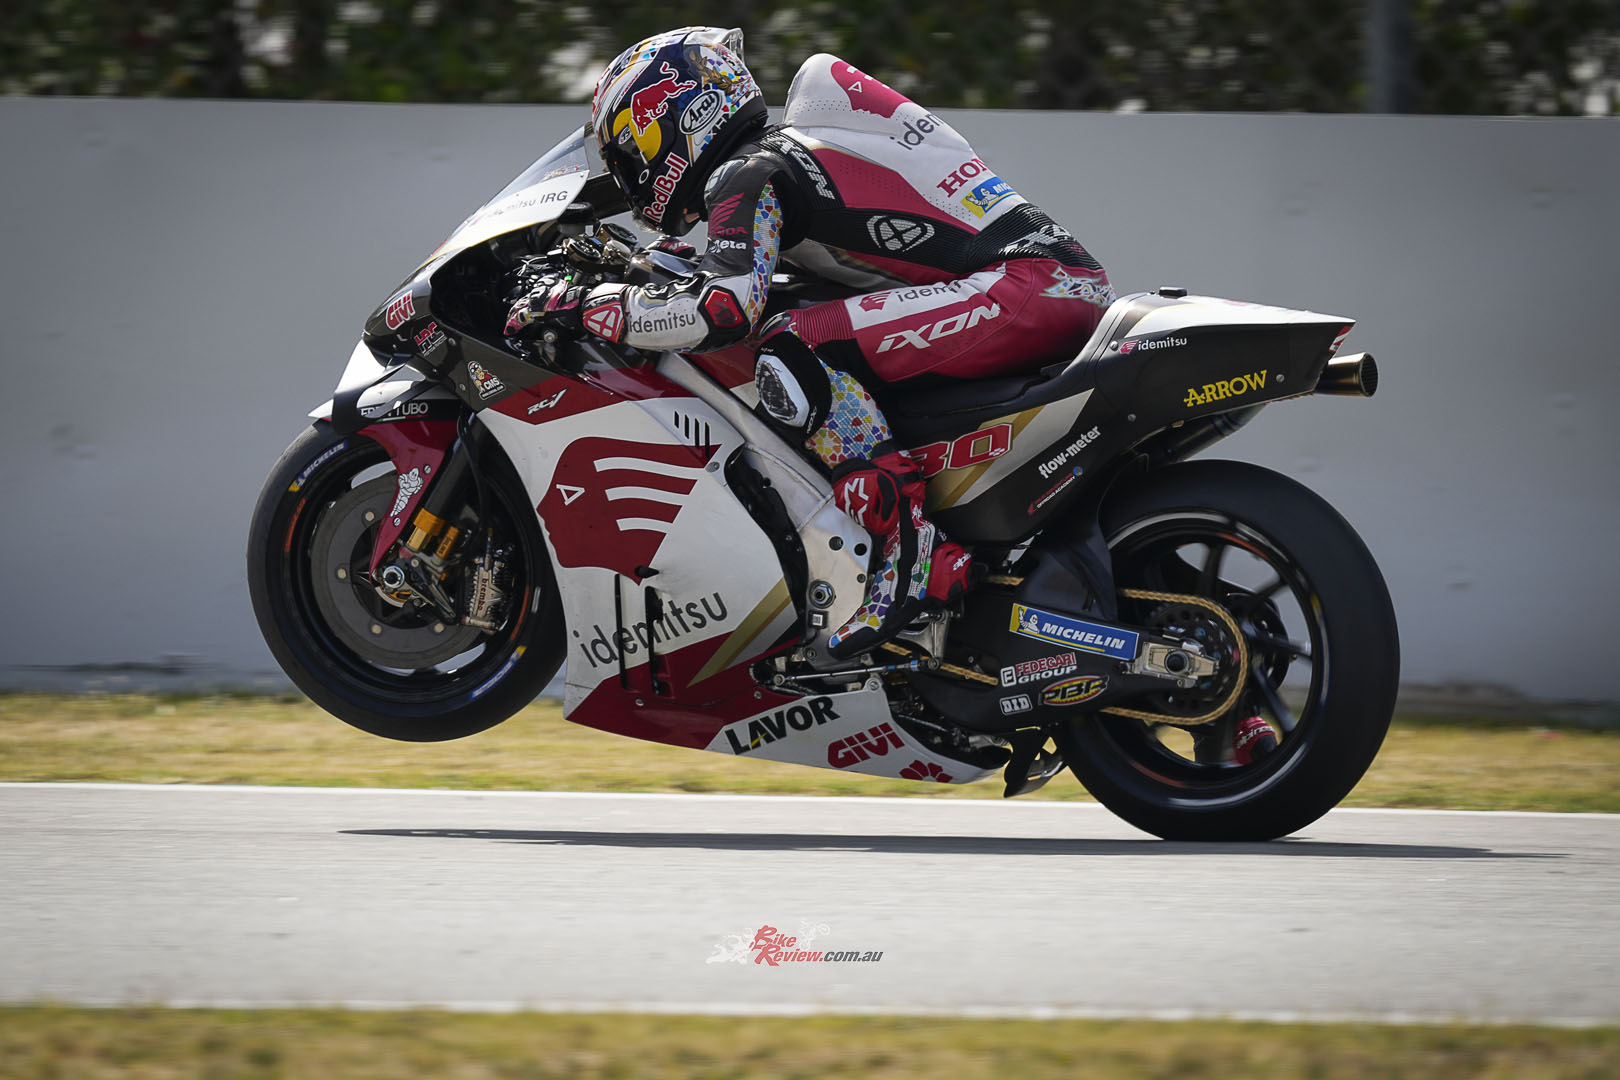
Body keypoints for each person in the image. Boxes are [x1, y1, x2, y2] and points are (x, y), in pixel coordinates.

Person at [506, 26, 1115, 659]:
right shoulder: (787, 156)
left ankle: (909, 552)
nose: (632, 176)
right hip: (1046, 284)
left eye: (634, 152)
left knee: (790, 345)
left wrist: (584, 304)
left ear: (678, 118)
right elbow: (755, 277)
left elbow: (722, 307)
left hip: (1026, 288)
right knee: (798, 321)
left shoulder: (748, 172)